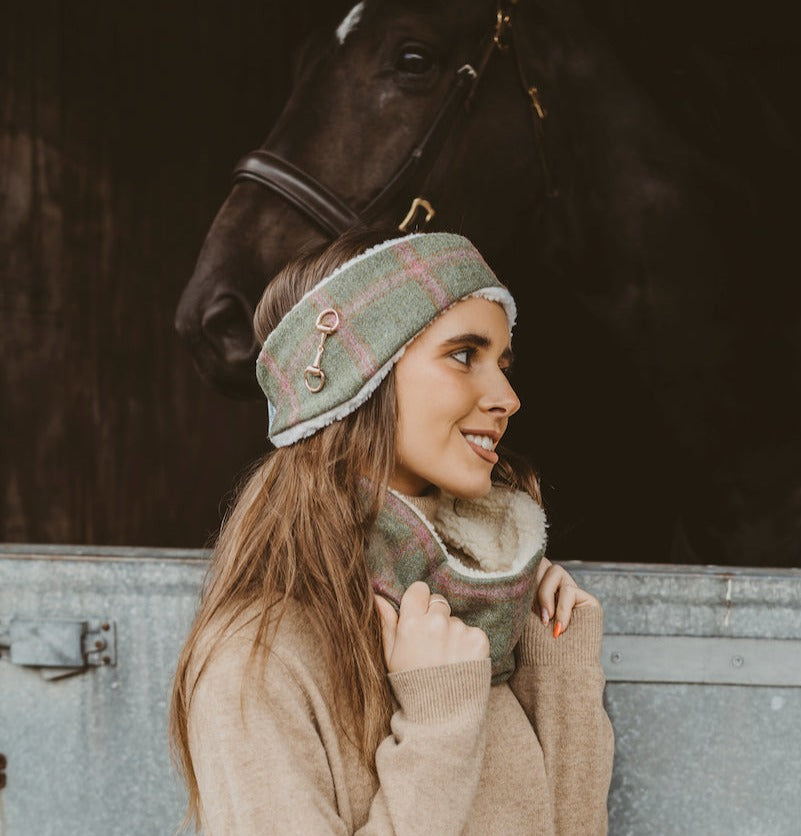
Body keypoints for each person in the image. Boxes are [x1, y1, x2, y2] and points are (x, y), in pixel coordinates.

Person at [169, 227, 614, 834]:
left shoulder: (491, 619)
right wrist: (434, 725)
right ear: (362, 377)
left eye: (504, 364)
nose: (507, 396)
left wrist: (555, 666)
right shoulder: (259, 657)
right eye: (464, 355)